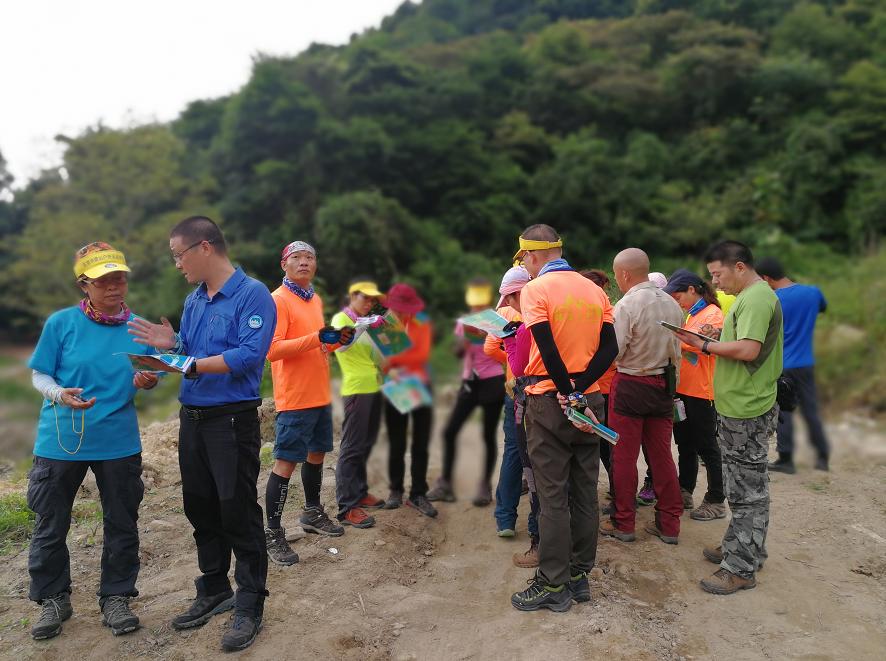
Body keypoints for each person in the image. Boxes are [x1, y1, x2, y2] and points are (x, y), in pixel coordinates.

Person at [128, 216, 275, 651]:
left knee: (237, 511)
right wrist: (168, 352)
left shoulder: (254, 294)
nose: (177, 264)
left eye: (179, 255)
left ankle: (250, 601)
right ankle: (214, 588)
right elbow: (188, 355)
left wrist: (188, 363)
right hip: (191, 420)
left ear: (204, 248)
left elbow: (249, 356)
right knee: (201, 508)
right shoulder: (194, 300)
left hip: (231, 422)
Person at [26, 242, 160, 641]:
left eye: (119, 278)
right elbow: (40, 376)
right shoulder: (61, 323)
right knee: (51, 524)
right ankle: (53, 599)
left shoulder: (140, 328)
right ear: (84, 284)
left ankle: (116, 597)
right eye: (103, 281)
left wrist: (148, 381)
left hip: (118, 441)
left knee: (122, 522)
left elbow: (151, 375)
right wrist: (59, 394)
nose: (115, 287)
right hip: (60, 440)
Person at [507, 224, 618, 613]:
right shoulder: (595, 290)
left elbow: (547, 345)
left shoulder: (537, 289)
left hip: (550, 399)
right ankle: (578, 575)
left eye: (524, 260)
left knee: (552, 495)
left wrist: (565, 389)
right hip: (590, 400)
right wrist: (582, 387)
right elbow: (611, 348)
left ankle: (552, 583)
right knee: (586, 489)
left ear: (531, 256)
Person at [671, 240, 782, 596]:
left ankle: (740, 567)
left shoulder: (757, 297)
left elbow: (749, 350)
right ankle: (743, 546)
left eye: (717, 274)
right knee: (744, 487)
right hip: (738, 404)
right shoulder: (749, 298)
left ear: (739, 267)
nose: (715, 282)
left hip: (747, 407)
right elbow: (746, 341)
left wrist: (704, 345)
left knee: (747, 492)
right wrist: (716, 335)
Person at [262, 241, 359, 557]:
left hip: (319, 393)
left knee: (317, 455)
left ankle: (312, 512)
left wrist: (335, 341)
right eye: (296, 258)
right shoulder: (278, 300)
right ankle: (273, 532)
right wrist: (316, 338)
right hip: (295, 397)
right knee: (285, 463)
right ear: (284, 265)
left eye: (310, 258)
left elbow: (315, 347)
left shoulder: (314, 299)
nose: (304, 262)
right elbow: (272, 350)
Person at [602, 249, 685, 546]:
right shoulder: (673, 304)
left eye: (615, 274)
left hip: (631, 385)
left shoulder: (627, 304)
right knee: (662, 456)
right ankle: (670, 524)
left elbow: (616, 350)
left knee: (623, 456)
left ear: (624, 275)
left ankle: (624, 522)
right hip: (664, 384)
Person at [428, 279, 505, 506]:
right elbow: (459, 353)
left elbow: (506, 349)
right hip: (469, 382)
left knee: (487, 435)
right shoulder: (464, 322)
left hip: (492, 381)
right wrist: (460, 346)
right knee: (450, 431)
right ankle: (446, 484)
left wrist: (490, 337)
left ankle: (484, 485)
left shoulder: (497, 320)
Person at [662, 269, 726, 521]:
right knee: (684, 443)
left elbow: (708, 346)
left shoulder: (713, 314)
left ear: (692, 289)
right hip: (684, 390)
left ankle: (716, 499)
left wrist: (676, 338)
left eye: (678, 296)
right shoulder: (692, 314)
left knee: (707, 446)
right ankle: (684, 489)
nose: (675, 301)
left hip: (702, 391)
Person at [756, 257, 830, 473]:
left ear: (766, 278)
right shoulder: (813, 292)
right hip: (806, 362)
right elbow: (822, 308)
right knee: (810, 409)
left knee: (785, 410)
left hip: (783, 363)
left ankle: (786, 460)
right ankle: (823, 456)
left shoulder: (772, 299)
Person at [484, 267, 537, 546]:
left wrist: (511, 356)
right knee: (541, 454)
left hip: (514, 389)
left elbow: (489, 348)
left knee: (513, 452)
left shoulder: (503, 313)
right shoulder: (543, 304)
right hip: (541, 390)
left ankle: (505, 519)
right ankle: (535, 523)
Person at [331, 278, 388, 529]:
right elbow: (341, 347)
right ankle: (346, 507)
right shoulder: (341, 320)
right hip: (356, 389)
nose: (370, 303)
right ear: (353, 295)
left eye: (373, 300)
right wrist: (364, 325)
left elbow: (375, 358)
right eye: (365, 297)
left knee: (366, 443)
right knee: (352, 445)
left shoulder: (365, 325)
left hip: (373, 386)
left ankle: (360, 492)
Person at [378, 284, 438, 517]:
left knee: (421, 441)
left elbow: (420, 354)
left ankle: (418, 493)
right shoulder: (383, 323)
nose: (401, 313)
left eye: (404, 308)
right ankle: (395, 490)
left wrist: (392, 360)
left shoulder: (422, 321)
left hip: (420, 383)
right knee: (396, 440)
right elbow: (379, 350)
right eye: (396, 308)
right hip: (396, 384)